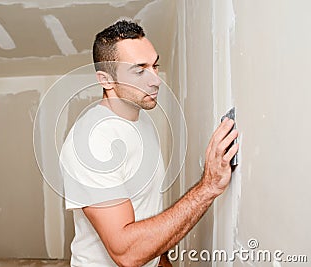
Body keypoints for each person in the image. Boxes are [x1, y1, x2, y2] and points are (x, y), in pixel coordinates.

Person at [59, 20, 239, 267]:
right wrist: (208, 186)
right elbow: (126, 253)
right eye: (139, 70)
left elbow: (146, 211)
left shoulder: (141, 122)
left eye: (154, 66)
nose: (155, 80)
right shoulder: (91, 142)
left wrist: (162, 262)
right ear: (106, 80)